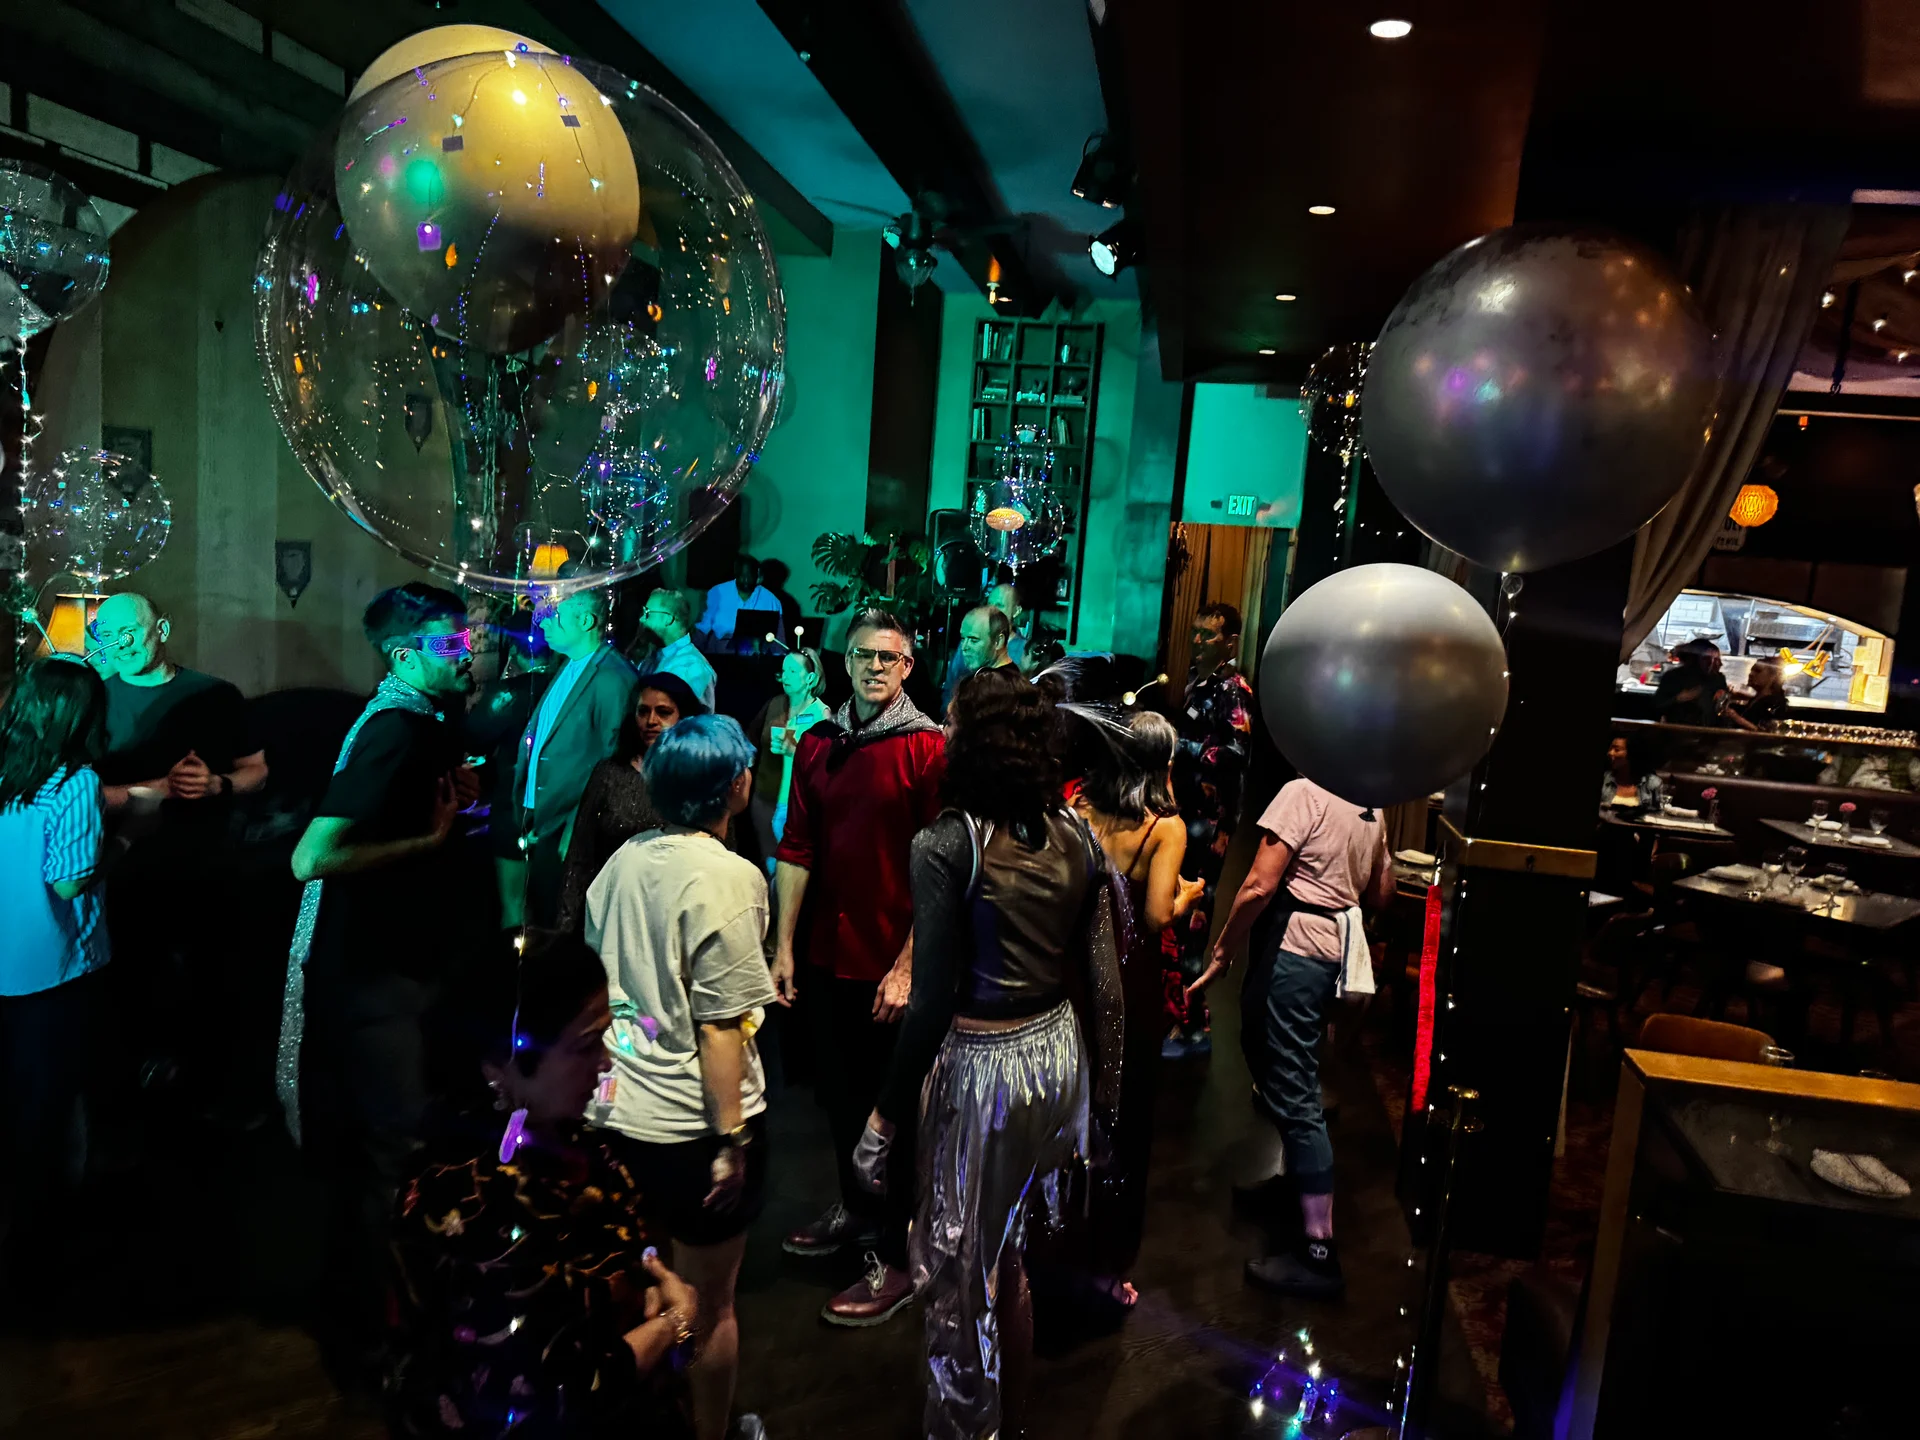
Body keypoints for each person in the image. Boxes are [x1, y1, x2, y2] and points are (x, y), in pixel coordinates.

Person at [855, 668, 1123, 1440]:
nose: (941, 727)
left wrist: (882, 1120)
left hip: (986, 1068)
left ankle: (968, 1431)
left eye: (951, 719)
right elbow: (1105, 989)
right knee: (1005, 1258)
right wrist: (1102, 1106)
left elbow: (932, 998)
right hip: (1057, 1052)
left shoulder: (946, 842)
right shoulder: (1078, 831)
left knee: (952, 1276)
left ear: (971, 740)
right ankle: (1016, 1420)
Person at [284, 582, 494, 1385]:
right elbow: (311, 858)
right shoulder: (396, 730)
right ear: (405, 655)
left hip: (400, 970)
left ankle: (384, 1319)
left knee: (394, 1152)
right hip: (372, 980)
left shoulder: (424, 723)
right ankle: (370, 1339)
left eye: (463, 639)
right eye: (449, 644)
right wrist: (427, 840)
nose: (466, 650)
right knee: (388, 1157)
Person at [390, 933, 700, 1439]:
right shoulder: (465, 1202)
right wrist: (675, 1323)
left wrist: (648, 1276)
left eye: (605, 1036)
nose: (605, 1063)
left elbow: (625, 1238)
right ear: (499, 1065)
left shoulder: (572, 1139)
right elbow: (561, 1391)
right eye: (584, 1045)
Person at [586, 716, 777, 1440]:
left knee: (646, 1288)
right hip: (692, 1128)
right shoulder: (730, 878)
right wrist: (730, 1140)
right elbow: (720, 1025)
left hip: (616, 1115)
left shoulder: (624, 860)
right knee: (708, 1301)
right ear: (736, 786)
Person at [771, 608, 945, 1327]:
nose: (874, 667)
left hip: (889, 960)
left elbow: (942, 868)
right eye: (863, 655)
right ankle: (855, 1209)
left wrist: (907, 963)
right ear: (843, 661)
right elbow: (796, 849)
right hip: (826, 954)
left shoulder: (929, 749)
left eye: (888, 657)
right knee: (839, 1099)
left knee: (892, 1112)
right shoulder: (819, 743)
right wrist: (782, 945)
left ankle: (897, 1256)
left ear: (907, 667)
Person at [1195, 775, 1392, 1298]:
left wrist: (1222, 951)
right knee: (1272, 1059)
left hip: (1297, 949)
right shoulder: (1368, 798)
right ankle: (1293, 1185)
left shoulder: (1304, 791)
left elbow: (1259, 885)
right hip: (1331, 949)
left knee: (1296, 1089)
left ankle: (1318, 1249)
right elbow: (1381, 893)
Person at [89, 591, 269, 1093]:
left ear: (161, 631)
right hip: (124, 866)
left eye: (132, 631)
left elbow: (257, 769)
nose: (119, 643)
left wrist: (219, 786)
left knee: (212, 979)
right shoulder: (95, 699)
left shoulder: (215, 695)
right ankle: (135, 1087)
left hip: (203, 862)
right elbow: (74, 791)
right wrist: (147, 794)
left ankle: (213, 1086)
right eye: (107, 633)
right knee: (130, 981)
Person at [1059, 708, 1204, 1307]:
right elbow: (1154, 914)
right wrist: (1192, 893)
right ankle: (1111, 1266)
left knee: (1072, 1105)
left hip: (1073, 973)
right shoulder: (1164, 826)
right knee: (1126, 1115)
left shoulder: (1081, 808)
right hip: (1130, 974)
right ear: (1163, 762)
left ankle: (1055, 1249)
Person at [0, 659, 109, 1293]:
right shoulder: (75, 783)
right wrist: (113, 852)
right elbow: (67, 880)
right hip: (54, 968)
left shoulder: (6, 770)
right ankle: (41, 1246)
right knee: (52, 1106)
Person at [502, 582, 639, 929]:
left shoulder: (613, 678)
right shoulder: (570, 664)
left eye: (553, 615)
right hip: (543, 819)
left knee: (561, 923)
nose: (542, 622)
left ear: (586, 621)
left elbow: (615, 762)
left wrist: (577, 827)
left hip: (568, 826)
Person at [1166, 601, 1254, 1058]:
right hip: (1188, 814)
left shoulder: (1234, 689)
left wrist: (1183, 747)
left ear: (1230, 643)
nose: (1198, 641)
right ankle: (1180, 1016)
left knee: (1195, 922)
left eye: (1209, 635)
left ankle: (1193, 1026)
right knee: (1180, 919)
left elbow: (1237, 750)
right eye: (1196, 633)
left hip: (1211, 823)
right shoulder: (1196, 681)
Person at [554, 672, 707, 934]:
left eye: (663, 712)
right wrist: (566, 929)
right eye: (643, 711)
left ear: (684, 718)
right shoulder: (610, 773)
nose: (651, 721)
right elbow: (580, 855)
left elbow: (721, 850)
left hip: (674, 920)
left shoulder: (699, 777)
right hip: (611, 915)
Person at [746, 648, 830, 875]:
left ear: (810, 678)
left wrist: (797, 751)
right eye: (784, 670)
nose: (785, 676)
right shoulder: (774, 704)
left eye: (793, 671)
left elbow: (828, 766)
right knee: (767, 865)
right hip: (763, 798)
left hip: (795, 805)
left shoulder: (821, 714)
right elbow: (750, 740)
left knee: (789, 869)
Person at [942, 580, 1028, 708]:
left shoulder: (1024, 650)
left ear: (1016, 611)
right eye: (989, 603)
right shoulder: (967, 643)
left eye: (999, 605)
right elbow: (950, 685)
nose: (991, 609)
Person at [638, 587, 718, 711]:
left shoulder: (693, 668)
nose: (641, 619)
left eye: (647, 613)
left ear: (669, 619)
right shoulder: (652, 657)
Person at [695, 554, 786, 655]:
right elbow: (701, 631)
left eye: (749, 576)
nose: (745, 580)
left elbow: (779, 642)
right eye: (742, 576)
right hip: (719, 659)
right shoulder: (717, 593)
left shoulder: (772, 601)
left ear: (758, 575)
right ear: (736, 574)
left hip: (755, 661)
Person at [1652, 639, 1730, 728]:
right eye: (1708, 659)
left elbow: (1724, 710)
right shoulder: (1673, 677)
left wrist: (1724, 696)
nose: (1718, 664)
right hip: (1679, 732)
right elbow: (1656, 707)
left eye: (1717, 659)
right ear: (1694, 660)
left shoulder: (1718, 679)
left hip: (1710, 733)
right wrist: (1678, 699)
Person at [1600, 733, 1664, 810]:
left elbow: (1660, 814)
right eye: (1610, 749)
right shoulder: (1604, 778)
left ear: (1632, 753)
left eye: (1616, 750)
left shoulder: (1652, 783)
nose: (1610, 753)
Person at [1731, 657, 1788, 731]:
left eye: (1757, 671)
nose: (1751, 674)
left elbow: (1767, 732)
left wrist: (1735, 717)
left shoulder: (1776, 703)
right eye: (1751, 670)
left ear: (1773, 677)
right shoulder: (1756, 699)